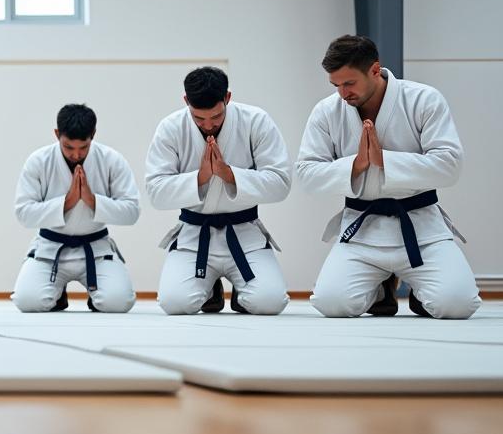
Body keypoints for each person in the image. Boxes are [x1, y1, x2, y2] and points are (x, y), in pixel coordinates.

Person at [296, 34, 480, 319]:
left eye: (349, 83)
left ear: (374, 69)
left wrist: (385, 160)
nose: (343, 94)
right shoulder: (326, 111)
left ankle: (421, 292)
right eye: (336, 85)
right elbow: (307, 174)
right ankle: (380, 289)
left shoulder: (423, 99)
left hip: (421, 227)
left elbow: (449, 165)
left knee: (457, 305)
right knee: (332, 303)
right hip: (362, 230)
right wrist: (355, 165)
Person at [145, 66, 291, 315]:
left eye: (216, 117)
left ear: (227, 98)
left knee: (270, 302)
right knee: (175, 303)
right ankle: (209, 288)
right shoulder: (171, 127)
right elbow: (155, 192)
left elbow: (280, 183)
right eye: (199, 119)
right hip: (194, 234)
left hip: (245, 233)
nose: (208, 125)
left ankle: (239, 291)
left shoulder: (255, 121)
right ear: (186, 102)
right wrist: (201, 178)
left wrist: (229, 175)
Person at [11, 104, 139, 312]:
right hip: (50, 247)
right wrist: (67, 203)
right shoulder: (38, 161)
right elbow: (23, 213)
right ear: (57, 134)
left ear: (93, 135)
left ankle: (95, 294)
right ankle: (57, 294)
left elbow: (132, 211)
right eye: (69, 147)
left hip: (96, 247)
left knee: (118, 302)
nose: (76, 154)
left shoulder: (111, 159)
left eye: (84, 147)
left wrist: (92, 200)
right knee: (28, 302)